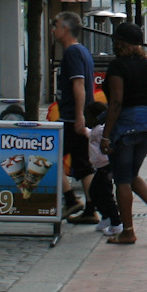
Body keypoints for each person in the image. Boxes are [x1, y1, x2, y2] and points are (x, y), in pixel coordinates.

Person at [102, 22, 147, 244]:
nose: (113, 44)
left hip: (125, 128)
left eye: (115, 40)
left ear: (121, 42)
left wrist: (106, 134)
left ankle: (128, 231)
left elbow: (116, 102)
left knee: (121, 180)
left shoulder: (117, 67)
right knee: (131, 175)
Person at [51, 11, 100, 225]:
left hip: (72, 119)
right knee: (82, 163)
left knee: (50, 157)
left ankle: (73, 200)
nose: (53, 29)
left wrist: (79, 116)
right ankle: (90, 208)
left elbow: (79, 84)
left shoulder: (72, 53)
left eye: (56, 25)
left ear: (66, 29)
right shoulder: (81, 52)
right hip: (74, 117)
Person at [82, 101, 122, 235]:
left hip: (106, 166)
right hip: (101, 166)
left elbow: (95, 136)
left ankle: (116, 222)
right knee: (95, 192)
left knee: (105, 194)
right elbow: (91, 134)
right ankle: (106, 217)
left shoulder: (100, 129)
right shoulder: (97, 129)